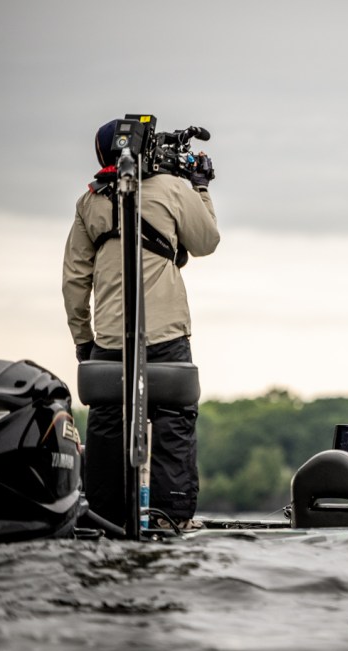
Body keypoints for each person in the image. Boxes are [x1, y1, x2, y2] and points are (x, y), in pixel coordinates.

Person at [62, 119, 220, 531]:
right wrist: (200, 188)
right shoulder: (174, 189)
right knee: (174, 423)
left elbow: (74, 280)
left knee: (107, 426)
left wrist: (83, 340)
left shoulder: (89, 202)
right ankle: (172, 521)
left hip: (110, 340)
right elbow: (206, 242)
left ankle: (103, 521)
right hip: (167, 336)